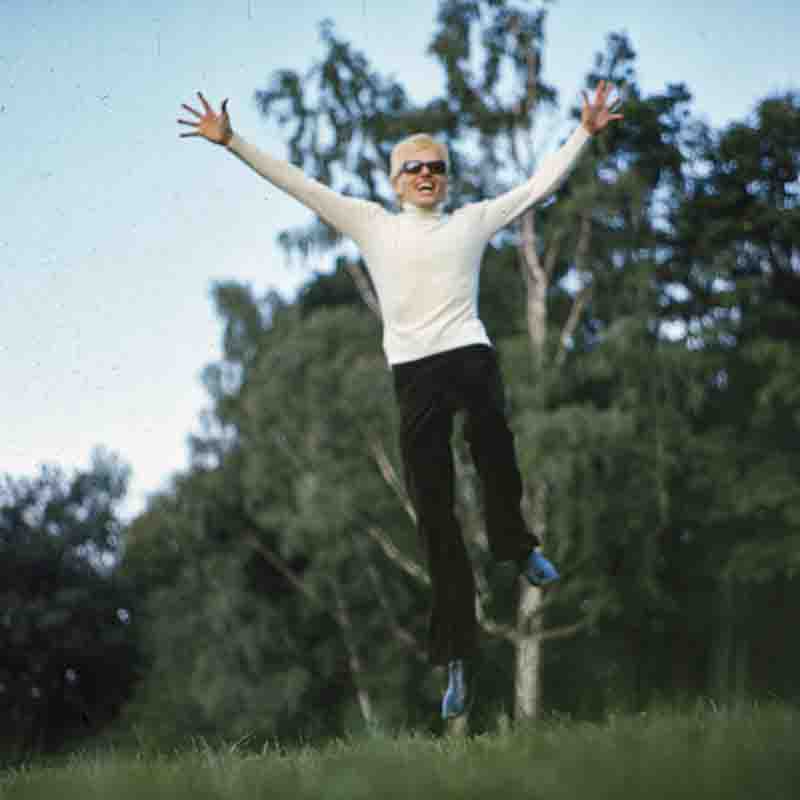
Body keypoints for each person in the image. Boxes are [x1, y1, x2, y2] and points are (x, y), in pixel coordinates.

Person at [178, 82, 622, 719]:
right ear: (394, 181)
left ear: (446, 179)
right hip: (414, 375)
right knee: (433, 514)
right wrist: (233, 143)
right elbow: (300, 184)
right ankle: (459, 660)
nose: (425, 175)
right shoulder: (372, 224)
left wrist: (582, 132)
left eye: (436, 167)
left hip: (469, 354)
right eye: (412, 167)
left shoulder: (470, 222)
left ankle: (518, 547)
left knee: (494, 441)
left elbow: (535, 187)